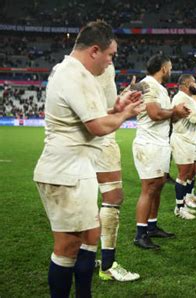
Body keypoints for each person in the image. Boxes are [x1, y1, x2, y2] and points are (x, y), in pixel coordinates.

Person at [33, 20, 143, 297]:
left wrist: (115, 107)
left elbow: (89, 116)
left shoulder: (75, 72)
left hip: (76, 169)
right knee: (67, 246)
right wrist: (125, 115)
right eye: (110, 55)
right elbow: (97, 127)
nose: (110, 62)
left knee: (91, 236)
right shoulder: (74, 75)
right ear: (95, 50)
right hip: (64, 173)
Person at [132, 54, 190, 249]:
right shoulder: (147, 85)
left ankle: (152, 226)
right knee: (149, 188)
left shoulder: (162, 90)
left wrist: (178, 113)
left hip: (159, 143)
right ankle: (140, 234)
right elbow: (155, 114)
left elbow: (167, 117)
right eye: (170, 68)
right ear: (164, 68)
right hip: (148, 144)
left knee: (158, 186)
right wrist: (174, 111)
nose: (171, 71)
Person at [94, 64, 140, 281]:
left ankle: (86, 258)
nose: (112, 59)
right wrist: (123, 110)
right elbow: (97, 113)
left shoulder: (68, 69)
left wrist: (121, 99)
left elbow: (100, 105)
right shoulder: (102, 68)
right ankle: (108, 265)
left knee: (84, 201)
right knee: (112, 198)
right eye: (110, 54)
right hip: (101, 138)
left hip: (79, 143)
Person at [171, 74, 196, 220]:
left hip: (190, 140)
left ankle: (184, 202)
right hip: (182, 140)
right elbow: (195, 118)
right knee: (183, 175)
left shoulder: (189, 99)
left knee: (189, 173)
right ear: (185, 83)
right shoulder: (180, 99)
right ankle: (179, 208)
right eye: (194, 83)